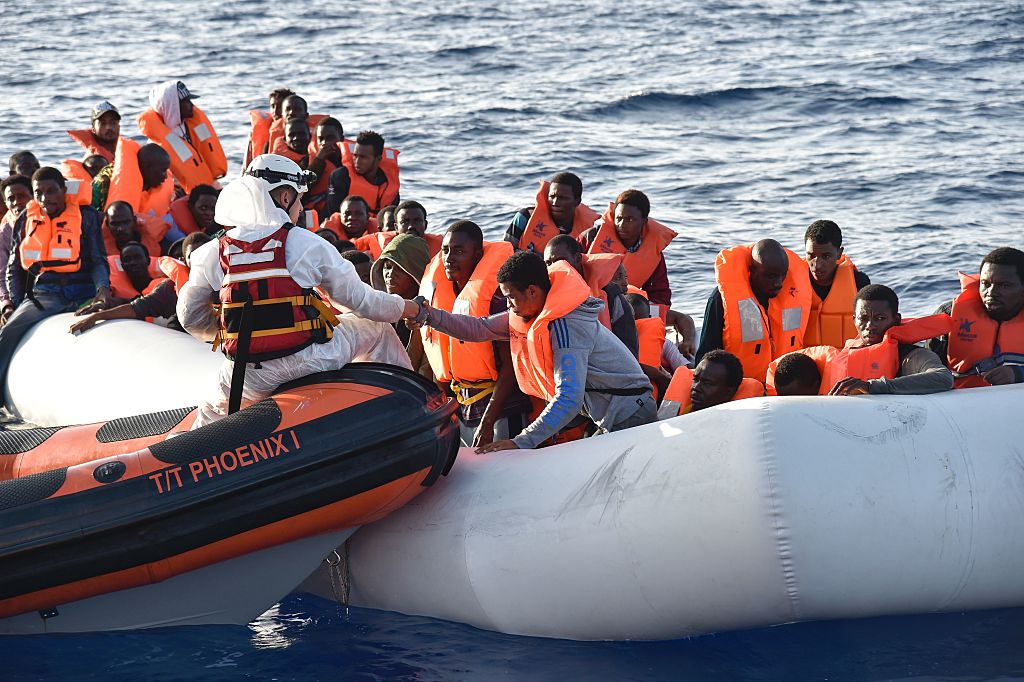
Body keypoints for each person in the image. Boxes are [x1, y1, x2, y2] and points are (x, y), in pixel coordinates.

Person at [177, 154, 421, 427]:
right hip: (312, 359)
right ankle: (409, 411)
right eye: (299, 199)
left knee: (207, 419)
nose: (300, 207)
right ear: (284, 198)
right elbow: (363, 303)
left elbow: (189, 316)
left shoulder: (212, 251)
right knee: (377, 329)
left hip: (251, 374)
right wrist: (410, 307)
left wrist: (228, 337)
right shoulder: (307, 244)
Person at [417, 250, 657, 451]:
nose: (509, 306)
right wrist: (427, 315)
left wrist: (520, 442)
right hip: (608, 414)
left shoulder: (566, 326)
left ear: (532, 291)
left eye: (511, 298)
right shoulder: (532, 313)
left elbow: (568, 398)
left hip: (630, 415)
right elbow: (479, 328)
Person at [418, 220, 530, 446]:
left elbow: (510, 366)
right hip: (463, 406)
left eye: (459, 251)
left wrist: (488, 422)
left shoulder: (496, 298)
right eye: (446, 250)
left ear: (478, 255)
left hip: (500, 408)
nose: (449, 258)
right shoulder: (443, 293)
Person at [0, 167, 110, 383]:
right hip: (45, 294)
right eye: (38, 193)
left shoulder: (85, 216)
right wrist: (15, 305)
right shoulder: (25, 218)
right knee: (8, 332)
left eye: (51, 191)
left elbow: (98, 260)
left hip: (83, 292)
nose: (44, 198)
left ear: (63, 190)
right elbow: (13, 268)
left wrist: (102, 292)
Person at [695, 239, 811, 381]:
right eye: (771, 276)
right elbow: (705, 356)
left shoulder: (793, 296)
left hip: (782, 387)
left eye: (783, 275)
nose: (779, 283)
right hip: (739, 388)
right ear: (752, 270)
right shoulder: (721, 299)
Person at [71, 232, 213, 334]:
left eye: (205, 253)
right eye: (194, 255)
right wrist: (97, 317)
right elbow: (135, 309)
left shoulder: (229, 282)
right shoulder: (169, 289)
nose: (200, 259)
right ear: (183, 260)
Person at [826, 285, 954, 396]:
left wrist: (871, 387)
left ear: (896, 320)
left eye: (880, 318)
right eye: (863, 318)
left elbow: (944, 378)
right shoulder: (846, 353)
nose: (870, 325)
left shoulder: (910, 356)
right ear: (854, 320)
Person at [929, 247, 1024, 387]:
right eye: (985, 283)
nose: (991, 292)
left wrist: (1018, 373)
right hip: (962, 399)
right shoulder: (948, 314)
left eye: (1004, 285)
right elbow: (926, 365)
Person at [580, 189, 677, 308]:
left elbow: (661, 295)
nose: (622, 225)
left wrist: (643, 307)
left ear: (644, 221)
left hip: (627, 307)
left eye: (629, 219)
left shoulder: (653, 253)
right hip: (587, 304)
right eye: (619, 218)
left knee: (683, 319)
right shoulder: (590, 238)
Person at [543, 234, 637, 356]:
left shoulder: (611, 295)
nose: (554, 268)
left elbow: (629, 350)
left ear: (577, 259)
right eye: (548, 263)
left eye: (560, 261)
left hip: (606, 366)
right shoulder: (546, 294)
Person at [138, 80, 227, 192]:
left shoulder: (190, 126)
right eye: (186, 101)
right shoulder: (156, 146)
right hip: (182, 195)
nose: (192, 105)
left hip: (207, 188)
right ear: (173, 106)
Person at [370, 233, 432, 378]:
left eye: (399, 268)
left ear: (414, 271)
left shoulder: (431, 313)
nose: (390, 274)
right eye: (387, 267)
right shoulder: (379, 314)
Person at [802, 219, 871, 348]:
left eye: (826, 256)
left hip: (844, 360)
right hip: (803, 362)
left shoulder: (859, 282)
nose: (817, 265)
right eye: (811, 255)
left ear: (839, 253)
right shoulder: (788, 281)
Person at [504, 172, 600, 254]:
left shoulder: (588, 232)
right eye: (552, 196)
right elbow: (504, 252)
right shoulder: (525, 217)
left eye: (563, 198)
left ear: (577, 201)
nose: (555, 203)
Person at [658, 350, 764, 418]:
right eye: (695, 379)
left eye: (707, 383)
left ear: (729, 391)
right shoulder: (679, 418)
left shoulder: (743, 425)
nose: (696, 387)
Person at [94, 141, 174, 224]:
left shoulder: (153, 181)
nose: (166, 176)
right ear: (147, 168)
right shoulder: (104, 181)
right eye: (163, 171)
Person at [325, 130, 400, 216]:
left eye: (363, 157)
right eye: (355, 155)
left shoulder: (389, 185)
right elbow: (333, 212)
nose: (357, 161)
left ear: (378, 159)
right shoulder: (340, 176)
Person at [0, 176, 33, 324]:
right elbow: (1, 274)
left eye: (22, 196)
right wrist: (7, 305)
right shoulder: (4, 233)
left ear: (34, 196)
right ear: (5, 203)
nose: (17, 202)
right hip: (19, 292)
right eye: (11, 198)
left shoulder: (51, 221)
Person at [245, 87, 294, 167]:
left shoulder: (298, 131)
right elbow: (247, 163)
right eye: (272, 106)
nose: (275, 111)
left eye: (279, 106)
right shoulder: (257, 130)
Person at [765, 345, 839, 396]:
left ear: (816, 386)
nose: (789, 405)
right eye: (782, 399)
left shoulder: (844, 394)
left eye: (796, 399)